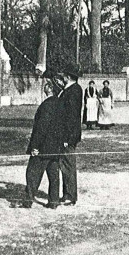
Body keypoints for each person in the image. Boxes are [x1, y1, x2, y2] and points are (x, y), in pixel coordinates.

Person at [24, 80, 65, 209]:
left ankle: (27, 200)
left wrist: (35, 146)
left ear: (50, 89)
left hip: (43, 147)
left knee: (32, 173)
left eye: (48, 84)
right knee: (54, 175)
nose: (45, 85)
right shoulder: (61, 104)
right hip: (56, 147)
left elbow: (41, 128)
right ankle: (53, 201)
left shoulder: (46, 105)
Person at [58, 64, 83, 206]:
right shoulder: (73, 89)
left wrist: (68, 137)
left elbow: (71, 116)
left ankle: (70, 195)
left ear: (68, 77)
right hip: (68, 134)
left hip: (68, 136)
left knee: (68, 165)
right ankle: (67, 193)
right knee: (65, 164)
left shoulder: (73, 91)